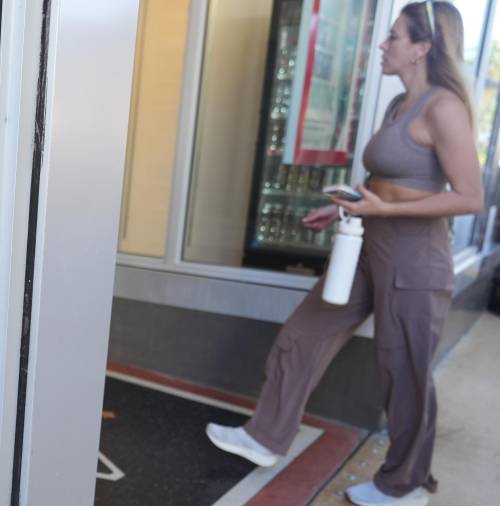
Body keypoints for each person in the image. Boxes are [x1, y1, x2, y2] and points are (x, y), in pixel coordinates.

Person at [206, 2, 483, 506]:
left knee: (405, 373)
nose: (383, 44)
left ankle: (403, 487)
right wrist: (342, 208)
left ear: (422, 48)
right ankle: (266, 436)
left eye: (394, 36)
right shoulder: (397, 106)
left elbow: (470, 196)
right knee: (306, 332)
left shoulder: (444, 107)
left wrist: (385, 209)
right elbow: (384, 183)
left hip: (414, 260)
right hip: (365, 243)